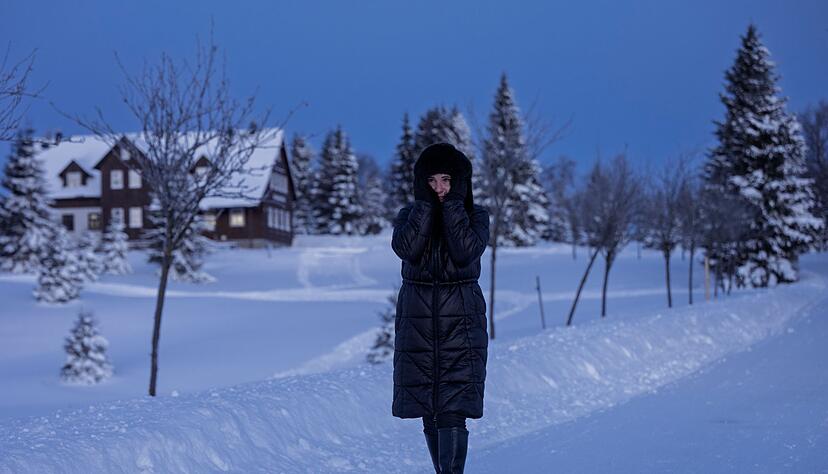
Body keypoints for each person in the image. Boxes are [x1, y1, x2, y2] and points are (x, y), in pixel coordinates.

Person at [391, 142, 490, 473]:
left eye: (446, 179)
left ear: (460, 182)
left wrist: (451, 208)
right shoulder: (409, 215)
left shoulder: (476, 216)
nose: (439, 188)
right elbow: (406, 249)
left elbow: (465, 251)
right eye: (431, 181)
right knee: (429, 411)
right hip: (418, 325)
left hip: (460, 323)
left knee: (452, 409)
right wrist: (424, 208)